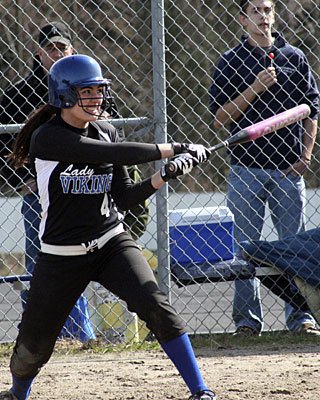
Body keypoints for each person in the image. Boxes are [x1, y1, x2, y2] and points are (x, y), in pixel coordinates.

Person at [0, 54, 216, 400]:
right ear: (64, 96)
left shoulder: (107, 129)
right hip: (62, 254)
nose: (97, 99)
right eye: (87, 92)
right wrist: (174, 148)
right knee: (33, 346)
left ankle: (200, 390)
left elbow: (124, 198)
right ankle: (17, 392)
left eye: (99, 91)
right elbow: (117, 153)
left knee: (156, 305)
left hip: (110, 241)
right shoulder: (49, 138)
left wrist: (163, 176)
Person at [209, 0, 319, 336]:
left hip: (288, 169)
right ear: (243, 19)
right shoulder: (230, 62)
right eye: (255, 10)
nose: (263, 16)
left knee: (294, 245)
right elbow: (220, 118)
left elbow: (311, 110)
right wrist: (256, 87)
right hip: (246, 169)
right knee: (245, 247)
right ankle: (247, 321)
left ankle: (300, 317)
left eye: (268, 9)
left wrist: (306, 154)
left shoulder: (295, 58)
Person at [0, 22, 96, 341]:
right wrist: (24, 179)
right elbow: (6, 149)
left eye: (62, 47)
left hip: (83, 186)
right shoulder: (17, 95)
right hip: (39, 193)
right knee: (40, 262)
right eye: (50, 48)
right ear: (38, 54)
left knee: (83, 258)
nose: (57, 53)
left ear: (73, 50)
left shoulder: (87, 88)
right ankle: (39, 333)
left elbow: (108, 132)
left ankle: (80, 333)